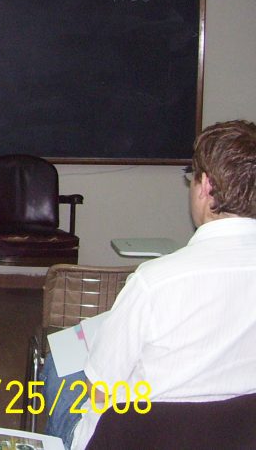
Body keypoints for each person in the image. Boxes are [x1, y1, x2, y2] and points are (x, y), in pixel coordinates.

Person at [44, 120, 256, 449]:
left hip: (138, 439)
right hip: (238, 436)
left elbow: (101, 390)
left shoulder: (154, 283)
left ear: (206, 186)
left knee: (58, 365)